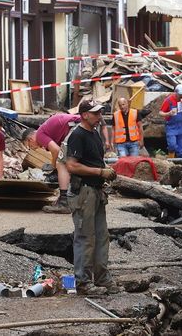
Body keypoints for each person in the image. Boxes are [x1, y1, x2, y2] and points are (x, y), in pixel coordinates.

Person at [65, 100, 121, 296]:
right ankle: (82, 282)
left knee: (101, 237)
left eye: (100, 113)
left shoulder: (94, 134)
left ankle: (102, 278)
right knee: (85, 238)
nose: (99, 117)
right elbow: (71, 166)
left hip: (95, 191)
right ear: (84, 115)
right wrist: (100, 172)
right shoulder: (77, 136)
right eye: (96, 113)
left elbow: (95, 159)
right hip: (84, 192)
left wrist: (104, 171)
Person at [21, 112, 82, 213]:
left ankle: (64, 202)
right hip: (81, 124)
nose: (32, 148)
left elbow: (57, 151)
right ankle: (72, 198)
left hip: (76, 126)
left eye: (29, 146)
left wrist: (54, 167)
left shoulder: (40, 134)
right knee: (72, 163)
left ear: (30, 139)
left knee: (61, 163)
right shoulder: (48, 132)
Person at [159, 84, 182, 158]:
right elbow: (160, 113)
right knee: (172, 145)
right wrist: (169, 113)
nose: (181, 96)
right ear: (175, 92)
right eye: (180, 94)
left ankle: (181, 164)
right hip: (171, 127)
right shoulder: (168, 100)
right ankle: (171, 159)